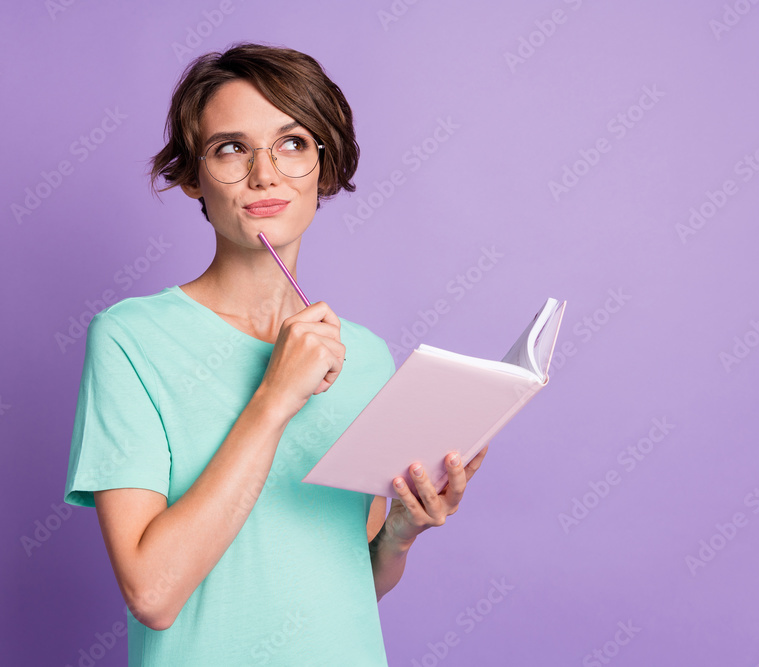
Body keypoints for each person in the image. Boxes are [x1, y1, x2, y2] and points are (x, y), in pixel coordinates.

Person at [63, 42, 488, 666]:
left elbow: (346, 583)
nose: (265, 174)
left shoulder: (363, 357)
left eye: (292, 143)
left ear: (324, 165)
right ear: (193, 177)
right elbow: (152, 594)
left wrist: (400, 535)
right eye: (230, 148)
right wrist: (275, 397)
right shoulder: (131, 340)